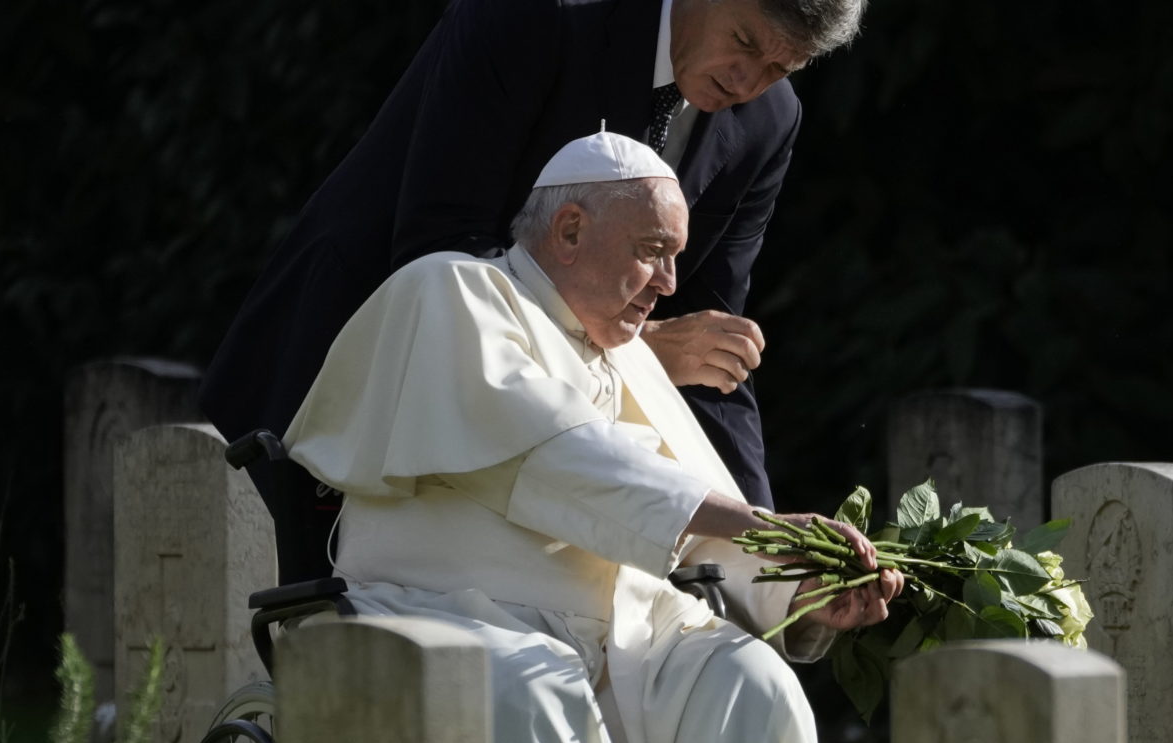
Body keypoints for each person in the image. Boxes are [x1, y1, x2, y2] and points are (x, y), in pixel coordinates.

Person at [279, 132, 901, 743]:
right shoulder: (453, 290)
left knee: (753, 685)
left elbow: (691, 522)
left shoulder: (629, 360)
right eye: (652, 252)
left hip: (625, 641)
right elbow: (568, 460)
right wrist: (764, 523)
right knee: (540, 691)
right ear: (568, 230)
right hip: (442, 615)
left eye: (675, 258)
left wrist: (809, 590)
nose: (671, 284)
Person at [201, 0, 864, 579]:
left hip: (535, 451)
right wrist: (640, 354)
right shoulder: (532, 16)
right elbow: (441, 255)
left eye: (781, 68)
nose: (748, 82)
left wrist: (773, 553)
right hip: (355, 370)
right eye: (745, 42)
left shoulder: (767, 121)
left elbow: (713, 353)